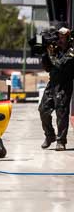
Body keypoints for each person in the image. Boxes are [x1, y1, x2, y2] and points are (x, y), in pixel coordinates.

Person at [39, 23, 74, 151]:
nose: (60, 39)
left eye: (63, 37)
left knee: (62, 113)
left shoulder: (71, 51)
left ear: (68, 38)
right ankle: (49, 136)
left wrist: (50, 53)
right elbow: (48, 67)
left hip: (64, 85)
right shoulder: (55, 48)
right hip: (52, 84)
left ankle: (61, 141)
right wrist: (44, 52)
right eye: (59, 36)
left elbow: (59, 64)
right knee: (43, 110)